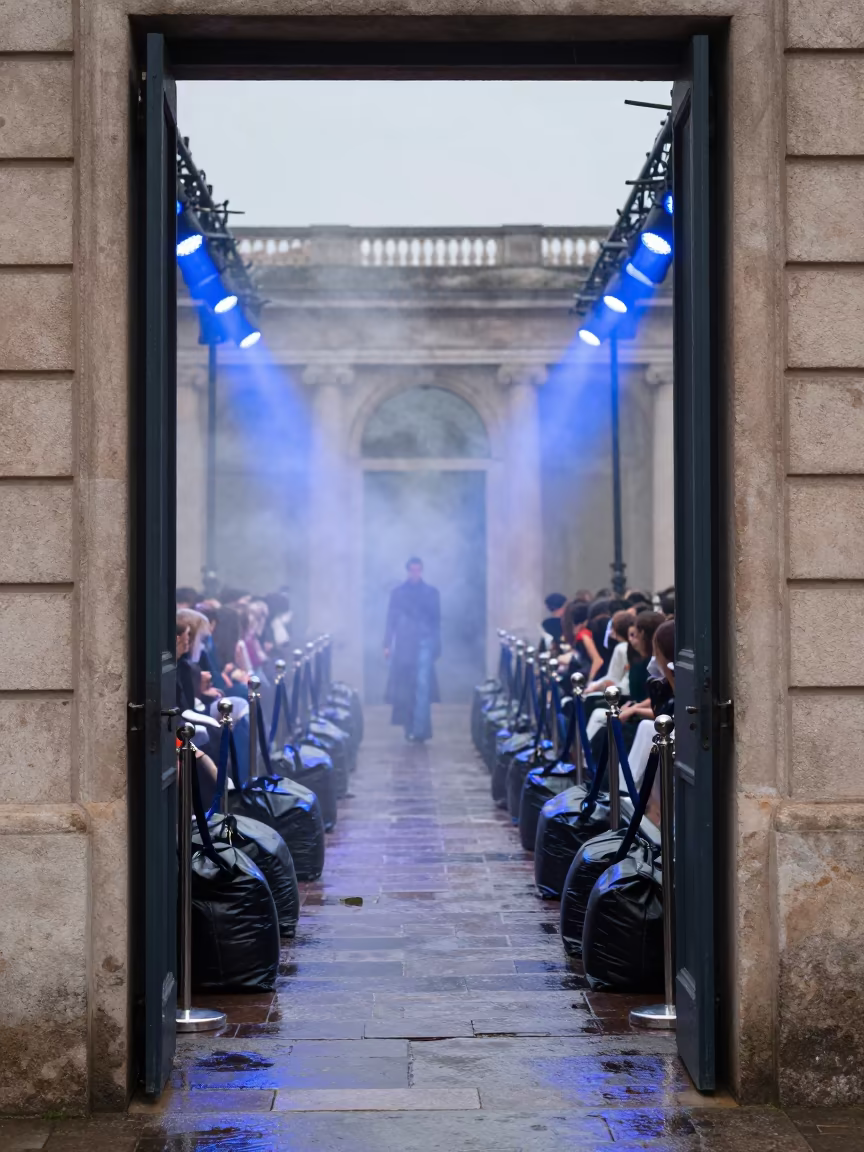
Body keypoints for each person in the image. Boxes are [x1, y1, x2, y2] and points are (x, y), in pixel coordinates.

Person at [383, 557, 441, 743]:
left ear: (421, 571)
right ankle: (412, 728)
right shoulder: (398, 593)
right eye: (412, 570)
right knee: (407, 686)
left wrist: (437, 645)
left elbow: (436, 622)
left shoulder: (431, 593)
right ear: (407, 571)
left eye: (418, 570)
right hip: (405, 643)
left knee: (422, 685)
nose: (415, 574)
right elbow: (390, 620)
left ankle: (419, 729)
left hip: (424, 642)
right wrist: (387, 644)